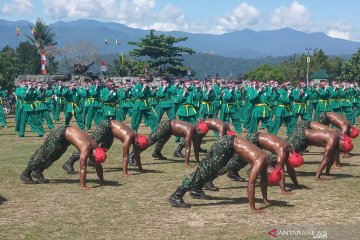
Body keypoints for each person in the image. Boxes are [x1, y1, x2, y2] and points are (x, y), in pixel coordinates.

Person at [168, 135, 283, 213]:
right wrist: (253, 208)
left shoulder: (267, 160)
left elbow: (263, 181)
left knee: (213, 170)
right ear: (269, 172)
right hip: (225, 145)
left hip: (230, 146)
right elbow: (251, 185)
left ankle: (196, 190)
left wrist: (265, 199)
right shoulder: (260, 161)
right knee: (205, 169)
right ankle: (177, 195)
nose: (263, 178)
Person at [20, 126, 108, 188]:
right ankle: (26, 174)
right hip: (60, 133)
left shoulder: (96, 147)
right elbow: (83, 167)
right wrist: (83, 185)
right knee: (45, 154)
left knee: (55, 156)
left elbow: (98, 166)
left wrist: (102, 180)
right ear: (93, 156)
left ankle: (37, 173)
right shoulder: (86, 148)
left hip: (66, 136)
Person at [62, 120, 149, 176]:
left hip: (111, 131)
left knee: (104, 149)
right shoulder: (129, 137)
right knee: (89, 146)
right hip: (106, 126)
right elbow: (125, 156)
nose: (136, 148)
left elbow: (136, 153)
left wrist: (140, 168)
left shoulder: (137, 137)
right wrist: (125, 173)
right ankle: (69, 163)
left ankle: (93, 161)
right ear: (137, 142)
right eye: (137, 146)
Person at [287, 121, 353, 181]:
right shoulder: (332, 142)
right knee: (288, 154)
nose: (340, 151)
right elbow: (325, 159)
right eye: (342, 150)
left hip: (305, 136)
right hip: (302, 136)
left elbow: (332, 156)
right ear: (342, 146)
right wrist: (317, 176)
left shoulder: (340, 137)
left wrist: (327, 172)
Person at [129, 120, 208, 165]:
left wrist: (197, 160)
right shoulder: (190, 131)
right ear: (198, 129)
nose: (200, 135)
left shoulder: (195, 133)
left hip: (170, 130)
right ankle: (132, 156)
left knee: (162, 141)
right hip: (166, 125)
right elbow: (188, 148)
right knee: (148, 141)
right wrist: (187, 162)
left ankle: (156, 153)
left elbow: (196, 147)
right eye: (200, 132)